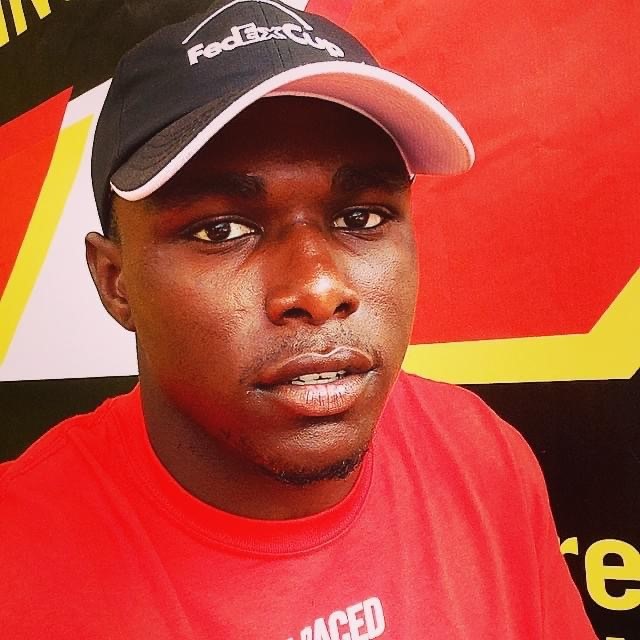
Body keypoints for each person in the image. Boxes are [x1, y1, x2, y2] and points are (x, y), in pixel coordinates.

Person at [1, 1, 596, 638]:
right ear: (115, 282)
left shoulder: (482, 452)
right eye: (222, 230)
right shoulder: (19, 563)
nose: (318, 288)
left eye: (361, 217)